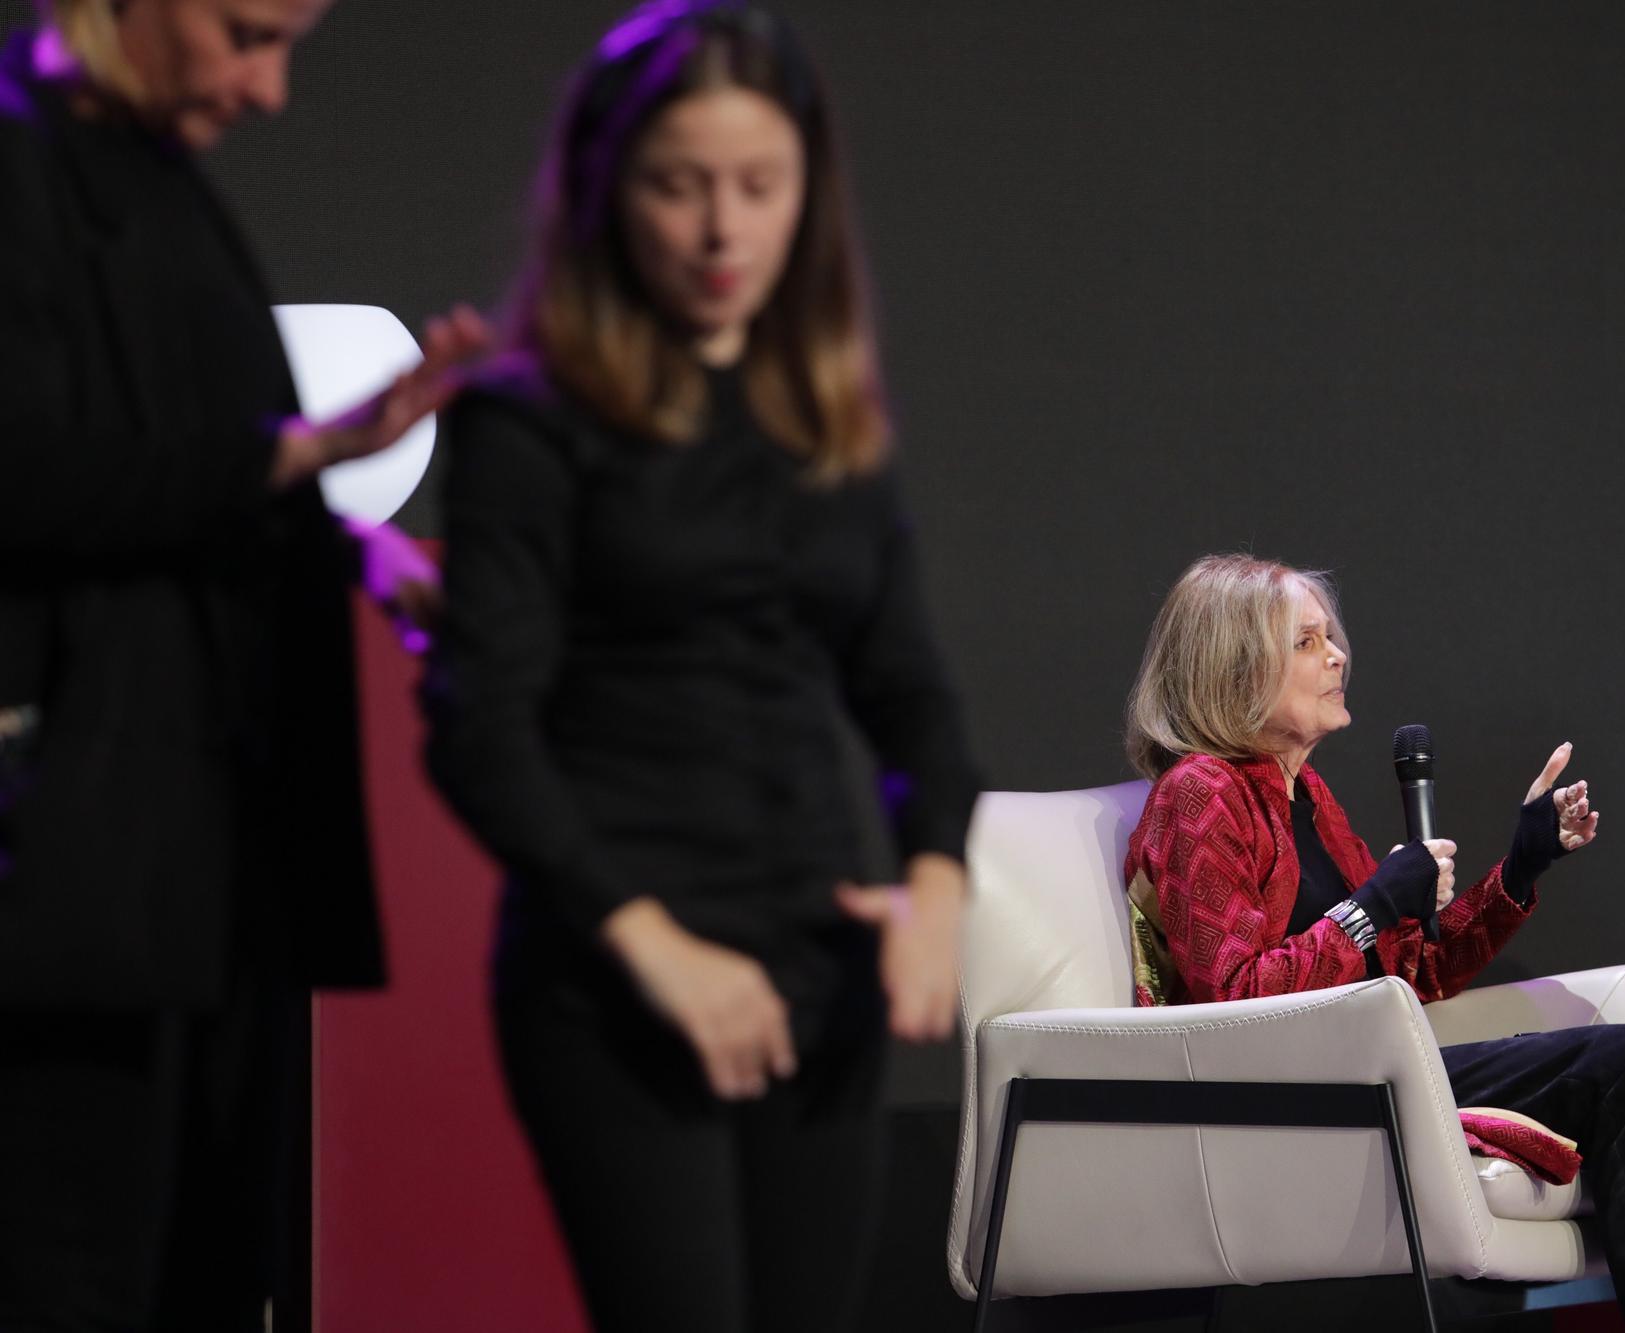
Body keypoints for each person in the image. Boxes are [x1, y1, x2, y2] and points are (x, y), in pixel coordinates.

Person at [421, 5, 979, 1330]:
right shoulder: (528, 418)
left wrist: (940, 886)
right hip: (619, 975)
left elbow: (911, 693)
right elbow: (478, 726)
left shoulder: (825, 419)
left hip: (813, 967)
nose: (724, 232)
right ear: (608, 193)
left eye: (759, 187)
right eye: (680, 188)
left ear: (808, 195)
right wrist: (652, 942)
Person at [0, 1, 488, 1328]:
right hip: (74, 891)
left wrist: (373, 564)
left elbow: (182, 484)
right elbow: (38, 474)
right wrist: (293, 460)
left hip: (209, 883)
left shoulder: (165, 200)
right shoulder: (25, 178)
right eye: (244, 34)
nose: (270, 89)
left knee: (215, 1277)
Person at [1122, 553, 1625, 1333]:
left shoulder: (1305, 796)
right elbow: (1234, 1000)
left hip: (1367, 1060)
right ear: (1236, 666)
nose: (1337, 654)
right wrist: (1370, 906)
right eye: (1306, 641)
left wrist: (1519, 868)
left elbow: (1414, 968)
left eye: (1332, 636)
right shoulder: (1200, 792)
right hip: (1291, 1090)